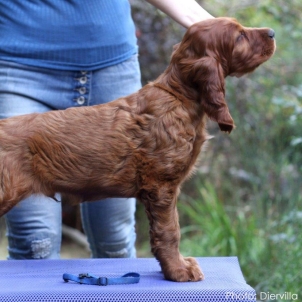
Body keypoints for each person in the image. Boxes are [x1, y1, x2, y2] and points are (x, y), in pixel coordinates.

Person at [0, 0, 213, 260]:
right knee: (35, 242)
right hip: (20, 69)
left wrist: (210, 25)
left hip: (111, 68)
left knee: (115, 240)